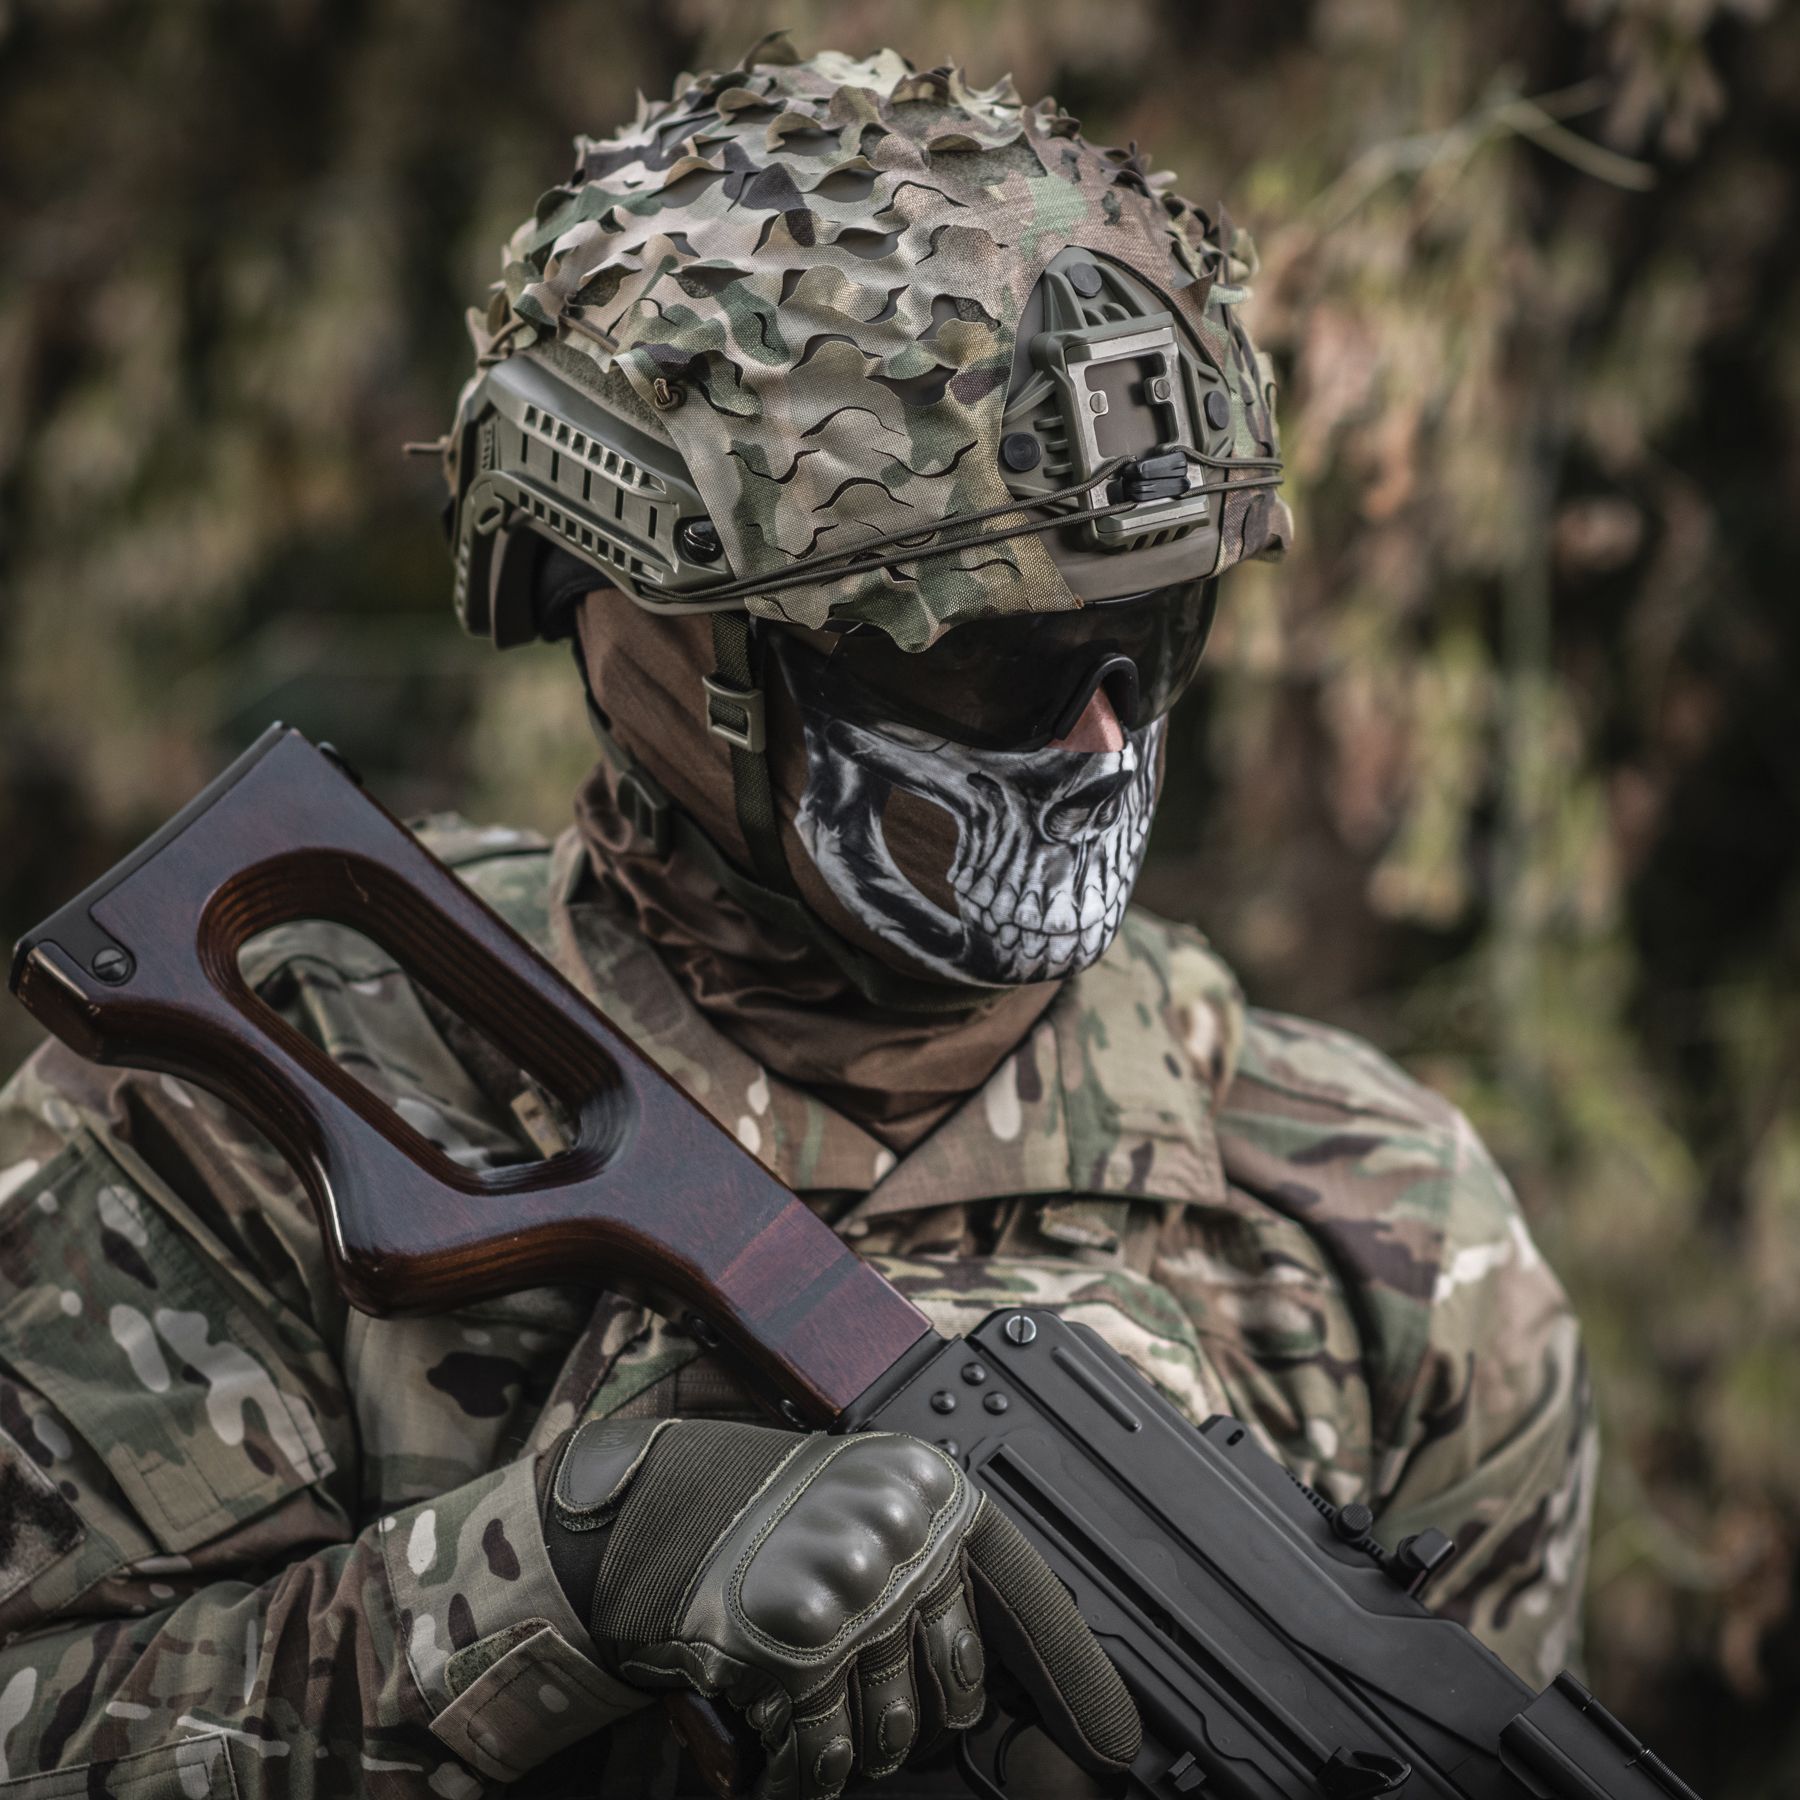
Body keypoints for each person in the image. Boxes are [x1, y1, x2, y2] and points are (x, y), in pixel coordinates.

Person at [0, 40, 1595, 1800]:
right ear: (654, 626)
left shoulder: (1382, 1224)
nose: (1098, 742)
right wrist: (567, 1573)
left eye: (1149, 640)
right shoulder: (258, 1099)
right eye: (982, 658)